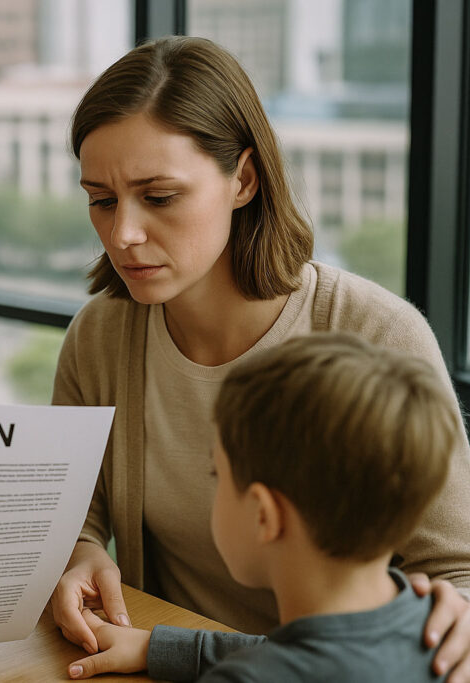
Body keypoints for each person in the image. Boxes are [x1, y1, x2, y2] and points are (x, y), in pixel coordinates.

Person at [49, 35, 470, 680]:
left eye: (159, 197)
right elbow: (70, 517)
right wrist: (78, 556)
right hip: (156, 663)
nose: (123, 234)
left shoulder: (375, 334)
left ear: (243, 179)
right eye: (101, 200)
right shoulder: (100, 337)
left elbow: (457, 574)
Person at [66, 332, 461, 680]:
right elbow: (307, 655)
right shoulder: (443, 634)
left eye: (215, 474)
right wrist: (156, 648)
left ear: (263, 514)